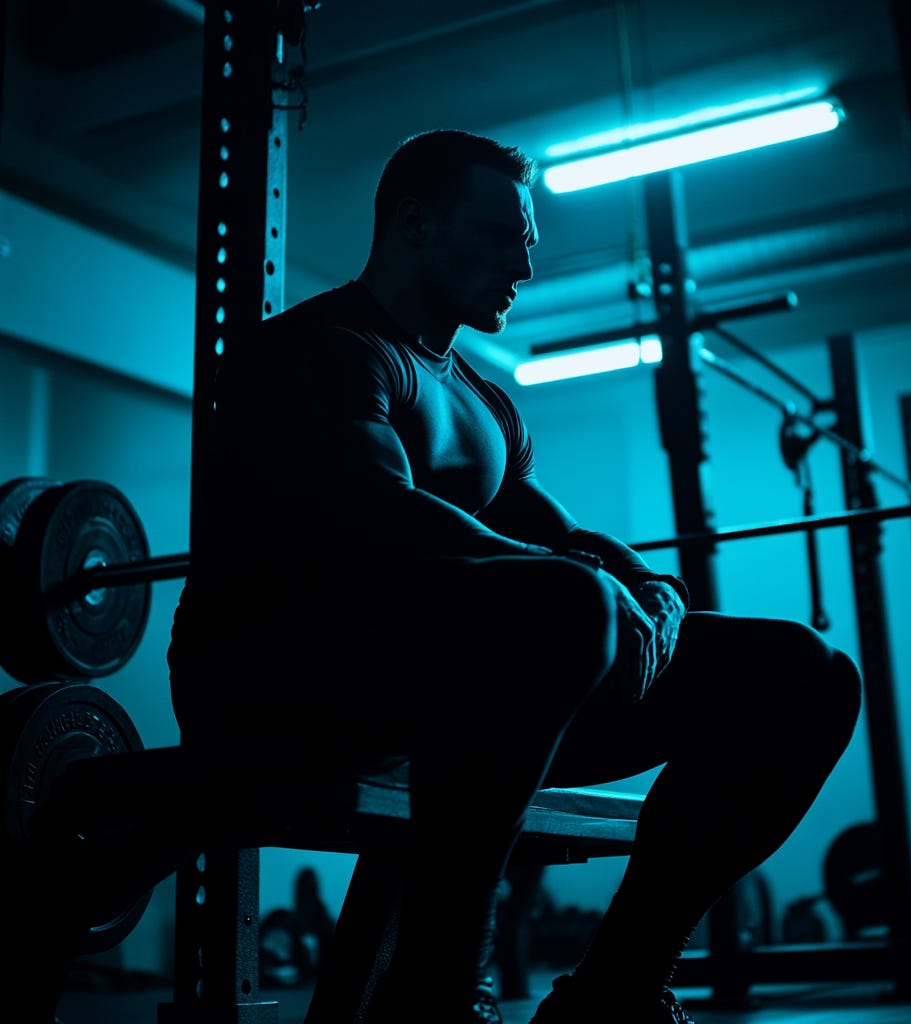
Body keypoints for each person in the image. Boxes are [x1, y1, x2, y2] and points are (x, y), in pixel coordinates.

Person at [162, 128, 863, 1024]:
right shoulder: (320, 349)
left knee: (803, 675)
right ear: (415, 224)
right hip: (275, 679)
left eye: (527, 243)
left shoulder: (483, 400)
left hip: (443, 688)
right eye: (501, 237)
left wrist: (652, 590)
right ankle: (433, 999)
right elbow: (385, 521)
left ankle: (615, 994)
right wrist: (588, 593)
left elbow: (563, 535)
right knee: (564, 605)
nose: (523, 266)